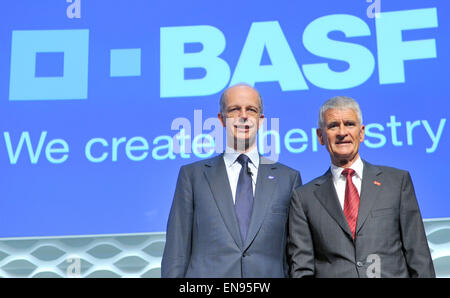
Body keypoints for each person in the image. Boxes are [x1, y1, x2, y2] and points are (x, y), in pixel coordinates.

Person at [161, 83, 302, 277]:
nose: (243, 115)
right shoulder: (193, 176)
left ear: (260, 120)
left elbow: (297, 256)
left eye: (251, 110)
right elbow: (176, 253)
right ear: (221, 119)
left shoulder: (288, 179)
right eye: (235, 109)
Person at [288, 96, 435, 278]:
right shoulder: (304, 198)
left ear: (362, 132)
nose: (342, 132)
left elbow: (418, 256)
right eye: (333, 125)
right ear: (320, 136)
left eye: (349, 124)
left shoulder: (397, 182)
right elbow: (302, 269)